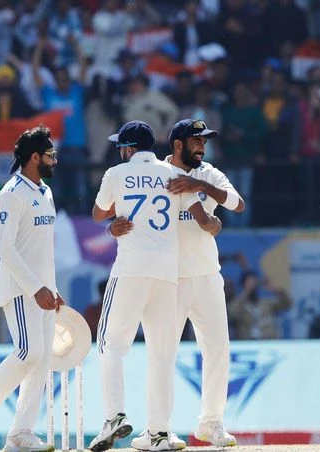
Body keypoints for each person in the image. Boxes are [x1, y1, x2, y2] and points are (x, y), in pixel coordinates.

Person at [89, 120, 221, 452]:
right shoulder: (173, 175)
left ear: (128, 149)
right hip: (167, 272)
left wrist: (112, 226)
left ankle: (114, 416)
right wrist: (213, 223)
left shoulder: (116, 173)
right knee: (162, 354)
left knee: (110, 344)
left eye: (121, 147)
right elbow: (202, 218)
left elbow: (99, 213)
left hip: (131, 268)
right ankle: (160, 432)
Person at [111, 118, 244, 446]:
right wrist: (110, 227)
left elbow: (237, 204)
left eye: (205, 141)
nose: (202, 147)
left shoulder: (208, 173)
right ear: (178, 144)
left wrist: (200, 186)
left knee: (217, 349)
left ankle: (211, 423)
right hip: (170, 279)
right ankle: (158, 429)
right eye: (197, 141)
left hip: (207, 274)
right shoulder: (158, 173)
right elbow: (125, 212)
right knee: (162, 355)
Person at [0, 126, 63, 452]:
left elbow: (41, 248)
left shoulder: (45, 192)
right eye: (50, 155)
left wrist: (51, 287)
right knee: (29, 352)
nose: (54, 160)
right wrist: (35, 288)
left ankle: (21, 433)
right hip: (20, 289)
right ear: (34, 157)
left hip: (43, 290)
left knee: (42, 360)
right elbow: (6, 248)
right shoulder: (11, 194)